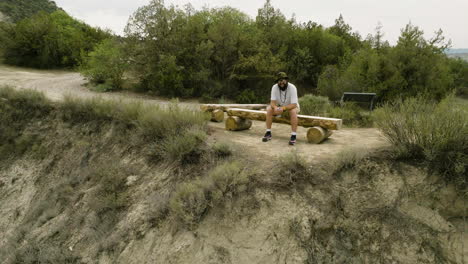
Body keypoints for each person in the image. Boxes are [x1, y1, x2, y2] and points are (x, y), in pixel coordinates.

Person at [262, 72, 300, 145]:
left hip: (292, 107)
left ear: (286, 80)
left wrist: (283, 108)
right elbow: (272, 103)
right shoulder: (274, 87)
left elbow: (294, 105)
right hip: (280, 107)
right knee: (269, 109)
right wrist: (276, 108)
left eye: (282, 80)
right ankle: (268, 133)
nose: (281, 82)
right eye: (279, 81)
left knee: (292, 111)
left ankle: (293, 135)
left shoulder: (292, 87)